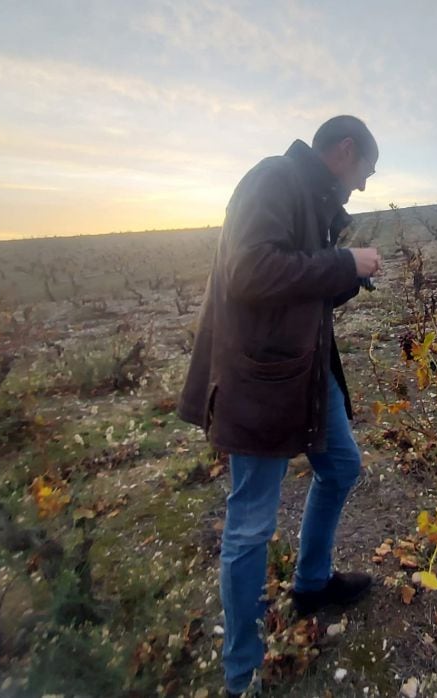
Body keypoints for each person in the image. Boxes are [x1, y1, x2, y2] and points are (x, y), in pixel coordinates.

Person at [177, 115, 381, 696]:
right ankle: (241, 675)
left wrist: (347, 277)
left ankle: (312, 583)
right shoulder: (274, 179)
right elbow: (250, 272)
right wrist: (345, 263)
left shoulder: (310, 195)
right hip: (261, 381)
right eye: (366, 169)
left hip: (308, 374)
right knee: (250, 526)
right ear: (345, 151)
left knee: (341, 466)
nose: (363, 185)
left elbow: (294, 284)